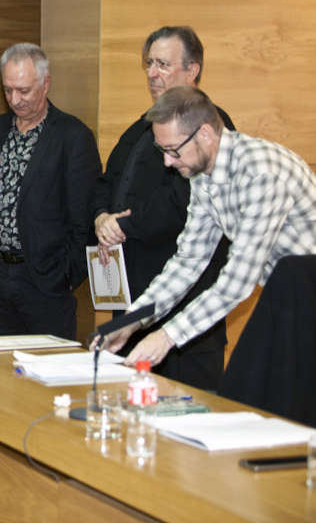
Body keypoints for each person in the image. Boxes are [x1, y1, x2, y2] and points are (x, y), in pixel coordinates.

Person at [101, 86, 316, 365]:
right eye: (162, 151)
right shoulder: (203, 175)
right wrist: (132, 321)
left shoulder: (261, 173)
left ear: (204, 134)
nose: (167, 162)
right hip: (290, 293)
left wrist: (166, 336)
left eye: (173, 150)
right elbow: (188, 262)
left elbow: (236, 282)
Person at [92, 26, 235, 390]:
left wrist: (125, 225)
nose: (152, 72)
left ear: (192, 70)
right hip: (136, 298)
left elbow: (180, 203)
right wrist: (102, 219)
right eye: (149, 63)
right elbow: (106, 183)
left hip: (189, 309)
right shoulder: (141, 128)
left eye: (163, 64)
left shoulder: (209, 128)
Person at [0, 43, 100, 338]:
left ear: (45, 83)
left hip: (45, 281)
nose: (15, 99)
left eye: (24, 90)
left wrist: (63, 276)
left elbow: (83, 219)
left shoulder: (73, 137)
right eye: (8, 89)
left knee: (46, 375)